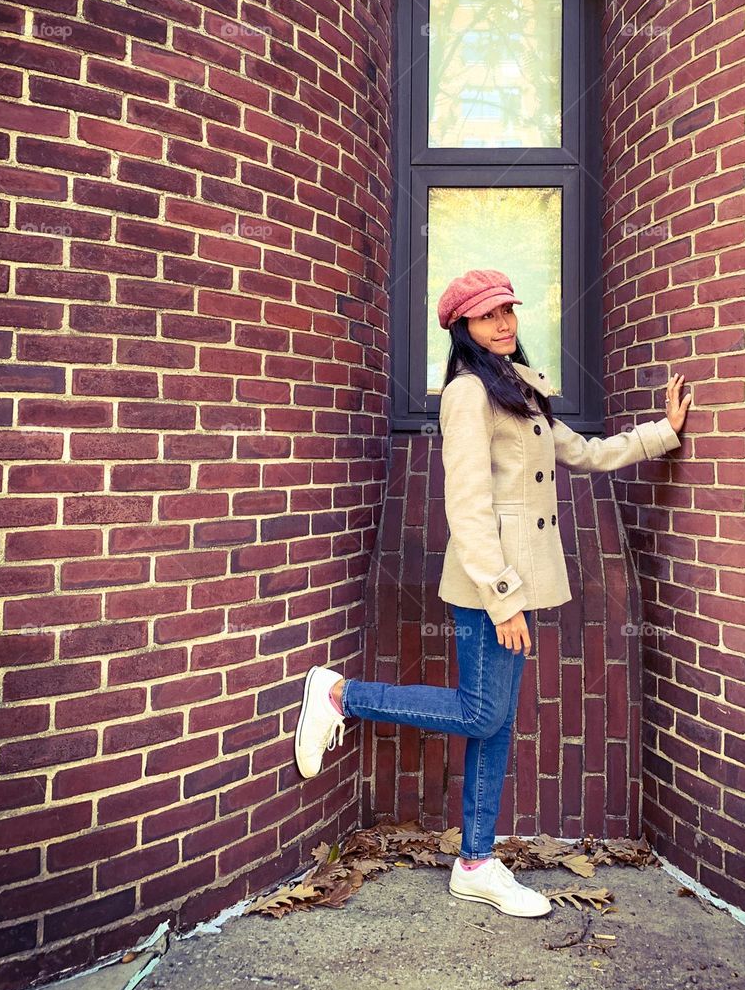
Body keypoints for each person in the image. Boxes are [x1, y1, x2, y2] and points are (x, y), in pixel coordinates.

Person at [294, 268, 691, 918]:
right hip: (489, 585)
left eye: (508, 309)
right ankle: (341, 696)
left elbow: (584, 454)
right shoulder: (467, 394)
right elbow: (469, 507)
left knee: (496, 722)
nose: (504, 322)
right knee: (482, 714)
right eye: (487, 315)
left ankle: (476, 862)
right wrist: (503, 598)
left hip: (517, 581)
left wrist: (662, 432)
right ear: (463, 327)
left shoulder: (520, 389)